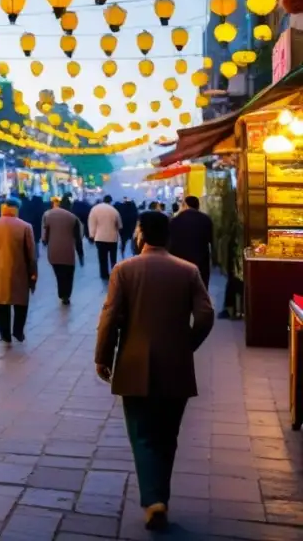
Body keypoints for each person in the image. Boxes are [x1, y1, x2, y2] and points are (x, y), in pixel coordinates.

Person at [95, 211, 214, 531]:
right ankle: (160, 494)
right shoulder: (188, 271)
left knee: (143, 434)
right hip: (176, 367)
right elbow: (205, 316)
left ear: (140, 234)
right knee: (167, 435)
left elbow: (110, 317)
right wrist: (185, 345)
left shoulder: (124, 270)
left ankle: (154, 499)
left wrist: (102, 357)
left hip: (134, 365)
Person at [0, 198, 37, 343]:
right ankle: (18, 331)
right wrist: (33, 275)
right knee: (21, 303)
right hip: (21, 271)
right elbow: (31, 255)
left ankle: (4, 335)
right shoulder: (26, 226)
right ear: (17, 209)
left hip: (0, 271)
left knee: (1, 303)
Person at [41, 197, 84, 305]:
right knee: (69, 274)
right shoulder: (73, 218)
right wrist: (80, 254)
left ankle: (62, 293)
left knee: (59, 274)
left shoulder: (49, 215)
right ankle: (66, 295)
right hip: (68, 252)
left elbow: (45, 235)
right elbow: (78, 238)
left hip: (53, 251)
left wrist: (45, 241)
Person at [168, 196, 215, 288]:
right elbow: (211, 240)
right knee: (200, 287)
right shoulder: (206, 219)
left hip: (180, 261)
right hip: (201, 261)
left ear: (185, 205)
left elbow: (169, 242)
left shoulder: (175, 220)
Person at [88, 195, 122, 279]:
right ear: (111, 201)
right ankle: (114, 273)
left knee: (102, 258)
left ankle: (104, 274)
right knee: (113, 258)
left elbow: (92, 223)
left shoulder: (95, 209)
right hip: (112, 238)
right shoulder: (114, 210)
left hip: (100, 238)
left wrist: (92, 235)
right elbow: (120, 225)